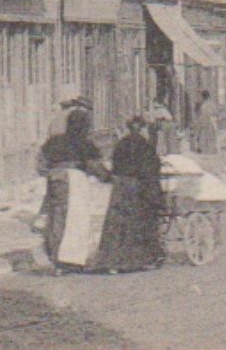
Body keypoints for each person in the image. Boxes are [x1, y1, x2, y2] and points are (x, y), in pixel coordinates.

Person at [39, 106, 109, 271]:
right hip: (74, 181)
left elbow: (41, 164)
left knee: (56, 218)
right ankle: (70, 260)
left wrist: (51, 172)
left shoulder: (54, 142)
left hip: (54, 180)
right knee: (74, 220)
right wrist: (107, 177)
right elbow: (94, 165)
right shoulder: (84, 144)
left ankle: (56, 257)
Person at [96, 116, 166, 272]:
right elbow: (152, 169)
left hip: (120, 186)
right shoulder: (145, 145)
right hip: (137, 187)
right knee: (141, 221)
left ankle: (111, 261)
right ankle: (138, 260)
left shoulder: (121, 144)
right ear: (142, 129)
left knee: (116, 224)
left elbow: (115, 165)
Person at [191, 89, 221, 155]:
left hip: (206, 121)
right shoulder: (212, 104)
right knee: (212, 135)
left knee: (205, 135)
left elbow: (203, 114)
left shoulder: (204, 105)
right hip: (211, 121)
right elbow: (216, 113)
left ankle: (207, 150)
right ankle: (212, 150)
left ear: (203, 97)